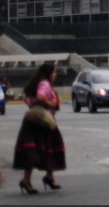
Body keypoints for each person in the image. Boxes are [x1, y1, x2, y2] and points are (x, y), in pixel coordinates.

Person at [14, 62, 66, 195]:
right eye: (54, 72)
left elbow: (28, 100)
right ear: (48, 73)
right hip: (43, 123)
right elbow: (40, 96)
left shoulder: (36, 82)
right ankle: (36, 180)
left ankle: (43, 178)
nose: (55, 75)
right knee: (49, 148)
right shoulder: (45, 84)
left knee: (33, 151)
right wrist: (51, 103)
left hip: (33, 121)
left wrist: (35, 107)